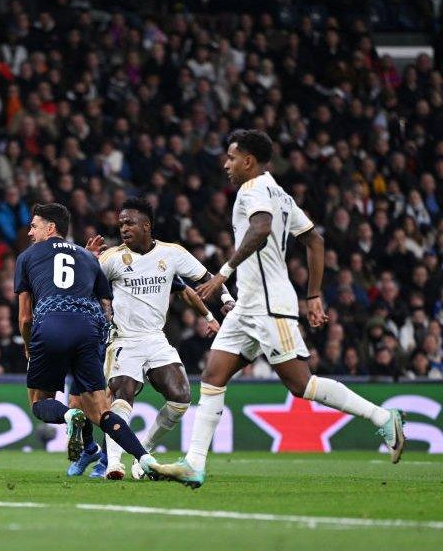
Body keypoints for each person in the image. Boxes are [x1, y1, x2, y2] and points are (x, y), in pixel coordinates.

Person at [151, 129, 407, 488]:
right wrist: (314, 293)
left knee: (300, 384)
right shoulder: (281, 193)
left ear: (248, 161)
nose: (226, 164)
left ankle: (382, 417)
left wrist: (222, 273)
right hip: (248, 307)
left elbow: (260, 229)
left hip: (270, 307)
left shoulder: (252, 190)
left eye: (231, 158)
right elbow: (314, 240)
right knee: (213, 376)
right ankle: (194, 463)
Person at [86, 196, 226, 480]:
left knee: (181, 398)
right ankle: (114, 464)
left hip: (155, 338)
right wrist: (88, 261)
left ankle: (143, 453)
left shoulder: (171, 254)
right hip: (124, 339)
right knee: (123, 394)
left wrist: (224, 300)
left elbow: (203, 279)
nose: (124, 228)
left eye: (130, 223)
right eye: (121, 223)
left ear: (147, 225)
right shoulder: (112, 258)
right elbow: (85, 284)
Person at [15, 203, 158, 476]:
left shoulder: (27, 256)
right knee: (102, 411)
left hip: (50, 327)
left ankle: (69, 417)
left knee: (38, 402)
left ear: (50, 227)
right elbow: (105, 302)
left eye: (34, 226)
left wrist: (28, 347)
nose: (30, 233)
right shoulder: (88, 257)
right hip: (88, 331)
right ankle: (145, 458)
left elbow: (25, 317)